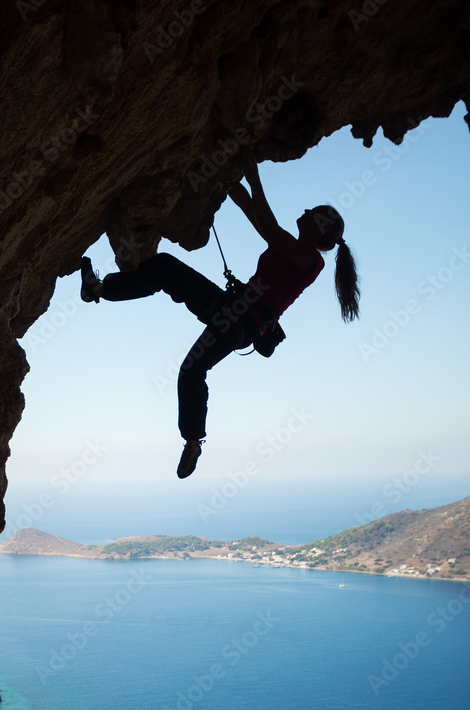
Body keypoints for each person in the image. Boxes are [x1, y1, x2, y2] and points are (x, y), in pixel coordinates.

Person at [80, 153, 360, 478]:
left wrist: (254, 178)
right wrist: (221, 170)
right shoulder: (291, 247)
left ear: (320, 227)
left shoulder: (311, 260)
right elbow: (247, 206)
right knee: (165, 269)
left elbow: (267, 226)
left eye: (313, 213)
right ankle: (97, 290)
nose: (305, 211)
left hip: (239, 320)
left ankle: (193, 441)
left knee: (191, 369)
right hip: (233, 310)